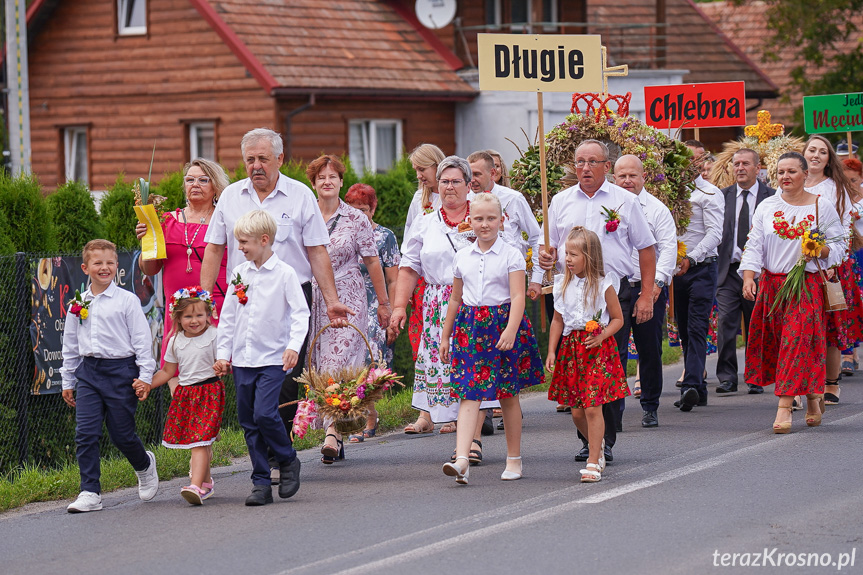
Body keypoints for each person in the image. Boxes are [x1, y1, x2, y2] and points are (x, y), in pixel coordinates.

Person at [201, 128, 351, 464]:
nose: (256, 166)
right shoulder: (230, 197)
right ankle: (269, 455)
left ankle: (277, 453)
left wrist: (331, 299)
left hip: (289, 297)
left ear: (280, 159)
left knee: (283, 380)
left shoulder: (299, 196)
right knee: (248, 381)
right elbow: (214, 248)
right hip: (243, 298)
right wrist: (203, 295)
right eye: (250, 159)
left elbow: (316, 250)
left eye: (263, 159)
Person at [538, 139, 656, 464]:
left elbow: (646, 248)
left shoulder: (625, 201)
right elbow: (547, 248)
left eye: (592, 162)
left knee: (608, 370)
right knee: (578, 378)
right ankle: (591, 439)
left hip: (611, 294)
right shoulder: (560, 201)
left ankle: (604, 441)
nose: (585, 168)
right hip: (570, 294)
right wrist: (546, 261)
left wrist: (647, 293)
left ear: (607, 165)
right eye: (580, 162)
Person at [390, 156, 500, 455]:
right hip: (437, 307)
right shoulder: (426, 224)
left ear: (468, 185)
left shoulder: (482, 219)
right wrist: (399, 306)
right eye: (444, 181)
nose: (449, 187)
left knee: (475, 370)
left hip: (476, 304)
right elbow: (409, 266)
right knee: (449, 373)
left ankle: (472, 441)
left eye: (455, 181)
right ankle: (461, 438)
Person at [439, 193, 544, 484]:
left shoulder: (511, 254)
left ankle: (514, 459)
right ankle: (462, 460)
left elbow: (518, 295)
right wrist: (446, 335)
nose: (484, 224)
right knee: (468, 392)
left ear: (501, 220)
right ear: (469, 221)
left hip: (503, 324)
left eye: (490, 218)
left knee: (508, 394)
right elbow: (455, 299)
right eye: (478, 219)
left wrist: (511, 329)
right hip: (471, 327)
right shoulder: (462, 255)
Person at [741, 152, 844, 432]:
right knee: (780, 343)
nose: (785, 177)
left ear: (804, 175)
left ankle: (784, 407)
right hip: (772, 286)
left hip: (806, 287)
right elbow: (754, 244)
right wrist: (749, 277)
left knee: (795, 342)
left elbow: (838, 247)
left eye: (792, 172)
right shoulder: (766, 206)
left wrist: (819, 250)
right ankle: (812, 395)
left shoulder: (821, 207)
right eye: (781, 172)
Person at [214, 210, 308, 506]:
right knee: (248, 421)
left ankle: (288, 459)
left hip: (272, 359)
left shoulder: (285, 274)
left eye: (244, 241)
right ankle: (261, 482)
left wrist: (293, 345)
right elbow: (228, 316)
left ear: (264, 240)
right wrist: (222, 353)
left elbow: (300, 313)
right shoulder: (239, 273)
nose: (239, 247)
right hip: (243, 360)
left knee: (265, 414)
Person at [61, 239, 159, 513]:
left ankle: (144, 465)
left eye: (110, 263)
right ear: (85, 267)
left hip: (121, 372)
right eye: (98, 263)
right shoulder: (77, 304)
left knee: (122, 435)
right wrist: (68, 380)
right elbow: (70, 344)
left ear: (117, 266)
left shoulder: (127, 301)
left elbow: (142, 342)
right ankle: (90, 491)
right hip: (89, 374)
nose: (104, 268)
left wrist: (145, 376)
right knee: (85, 433)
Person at [306, 156, 390, 462]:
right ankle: (337, 429)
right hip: (314, 299)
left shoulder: (357, 219)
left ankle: (331, 433)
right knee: (318, 365)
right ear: (313, 183)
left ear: (341, 182)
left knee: (337, 364)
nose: (327, 181)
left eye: (333, 176)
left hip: (349, 299)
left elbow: (372, 261)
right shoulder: (305, 213)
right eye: (321, 177)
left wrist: (383, 303)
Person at [546, 227, 628, 482]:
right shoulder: (561, 284)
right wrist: (551, 350)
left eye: (573, 254)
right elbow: (558, 321)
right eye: (566, 254)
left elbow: (618, 319)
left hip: (596, 349)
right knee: (578, 411)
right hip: (572, 350)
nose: (567, 259)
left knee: (593, 408)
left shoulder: (604, 284)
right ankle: (598, 444)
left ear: (589, 256)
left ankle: (594, 461)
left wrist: (603, 334)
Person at [136, 158, 229, 378]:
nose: (195, 184)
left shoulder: (224, 219)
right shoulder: (166, 220)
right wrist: (147, 242)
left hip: (214, 305)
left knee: (212, 373)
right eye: (190, 180)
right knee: (176, 371)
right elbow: (150, 270)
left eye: (203, 180)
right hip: (177, 310)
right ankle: (183, 413)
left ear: (215, 186)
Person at [133, 287, 224, 505]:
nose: (195, 320)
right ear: (178, 317)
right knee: (199, 439)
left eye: (199, 315)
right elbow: (167, 372)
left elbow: (226, 362)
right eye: (188, 316)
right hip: (186, 395)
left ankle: (195, 485)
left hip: (209, 392)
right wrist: (147, 384)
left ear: (208, 314)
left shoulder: (215, 336)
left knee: (199, 441)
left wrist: (224, 367)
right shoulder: (175, 341)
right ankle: (207, 482)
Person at [613, 155, 677, 427]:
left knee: (649, 348)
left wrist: (653, 290)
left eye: (632, 176)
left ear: (643, 177)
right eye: (622, 176)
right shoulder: (608, 204)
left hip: (647, 288)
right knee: (615, 351)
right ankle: (613, 411)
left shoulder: (657, 210)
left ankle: (650, 405)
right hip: (615, 291)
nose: (627, 181)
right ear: (613, 177)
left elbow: (668, 250)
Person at [804, 135, 861, 405]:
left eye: (822, 152)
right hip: (798, 266)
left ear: (829, 160)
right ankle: (800, 384)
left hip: (831, 267)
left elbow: (845, 232)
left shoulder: (835, 188)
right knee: (800, 327)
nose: (816, 155)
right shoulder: (791, 182)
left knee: (830, 328)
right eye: (811, 150)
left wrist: (831, 264)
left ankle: (831, 383)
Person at [715, 149, 775, 395]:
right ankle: (727, 377)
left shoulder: (772, 197)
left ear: (757, 167)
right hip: (728, 270)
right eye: (736, 163)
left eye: (745, 163)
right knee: (726, 322)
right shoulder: (722, 196)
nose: (740, 168)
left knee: (756, 324)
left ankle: (755, 375)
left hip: (760, 271)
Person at [344, 183, 400, 442]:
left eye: (364, 209)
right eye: (354, 209)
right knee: (350, 363)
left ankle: (367, 415)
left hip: (375, 306)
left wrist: (392, 309)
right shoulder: (340, 234)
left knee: (370, 362)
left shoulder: (385, 237)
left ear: (373, 209)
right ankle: (357, 414)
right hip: (347, 305)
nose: (359, 214)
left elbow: (393, 279)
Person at [674, 140, 724, 413]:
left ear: (703, 161)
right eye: (684, 159)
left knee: (696, 326)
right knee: (683, 328)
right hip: (674, 269)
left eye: (695, 159)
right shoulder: (669, 193)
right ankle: (699, 389)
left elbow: (715, 233)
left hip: (701, 267)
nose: (689, 164)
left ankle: (691, 383)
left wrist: (691, 258)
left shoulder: (710, 193)